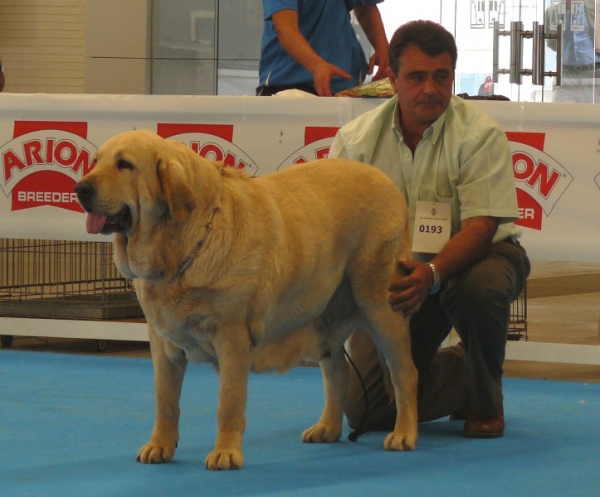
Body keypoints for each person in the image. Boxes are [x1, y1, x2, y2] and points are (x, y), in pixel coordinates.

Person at [330, 20, 530, 438]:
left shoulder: (480, 135)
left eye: (441, 77)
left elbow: (481, 225)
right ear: (392, 80)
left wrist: (434, 274)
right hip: (394, 277)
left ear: (453, 78)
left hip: (480, 256)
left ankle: (484, 399)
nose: (430, 89)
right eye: (416, 77)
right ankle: (464, 371)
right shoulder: (354, 143)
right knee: (368, 411)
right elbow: (338, 230)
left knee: (481, 284)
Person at [256, 0, 389, 97]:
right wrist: (317, 66)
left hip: (347, 88)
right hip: (289, 85)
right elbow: (285, 27)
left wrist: (383, 48)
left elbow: (365, 6)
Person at [546, 0, 600, 103]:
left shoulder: (594, 8)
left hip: (592, 74)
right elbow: (551, 43)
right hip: (566, 75)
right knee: (558, 114)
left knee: (592, 116)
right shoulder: (552, 11)